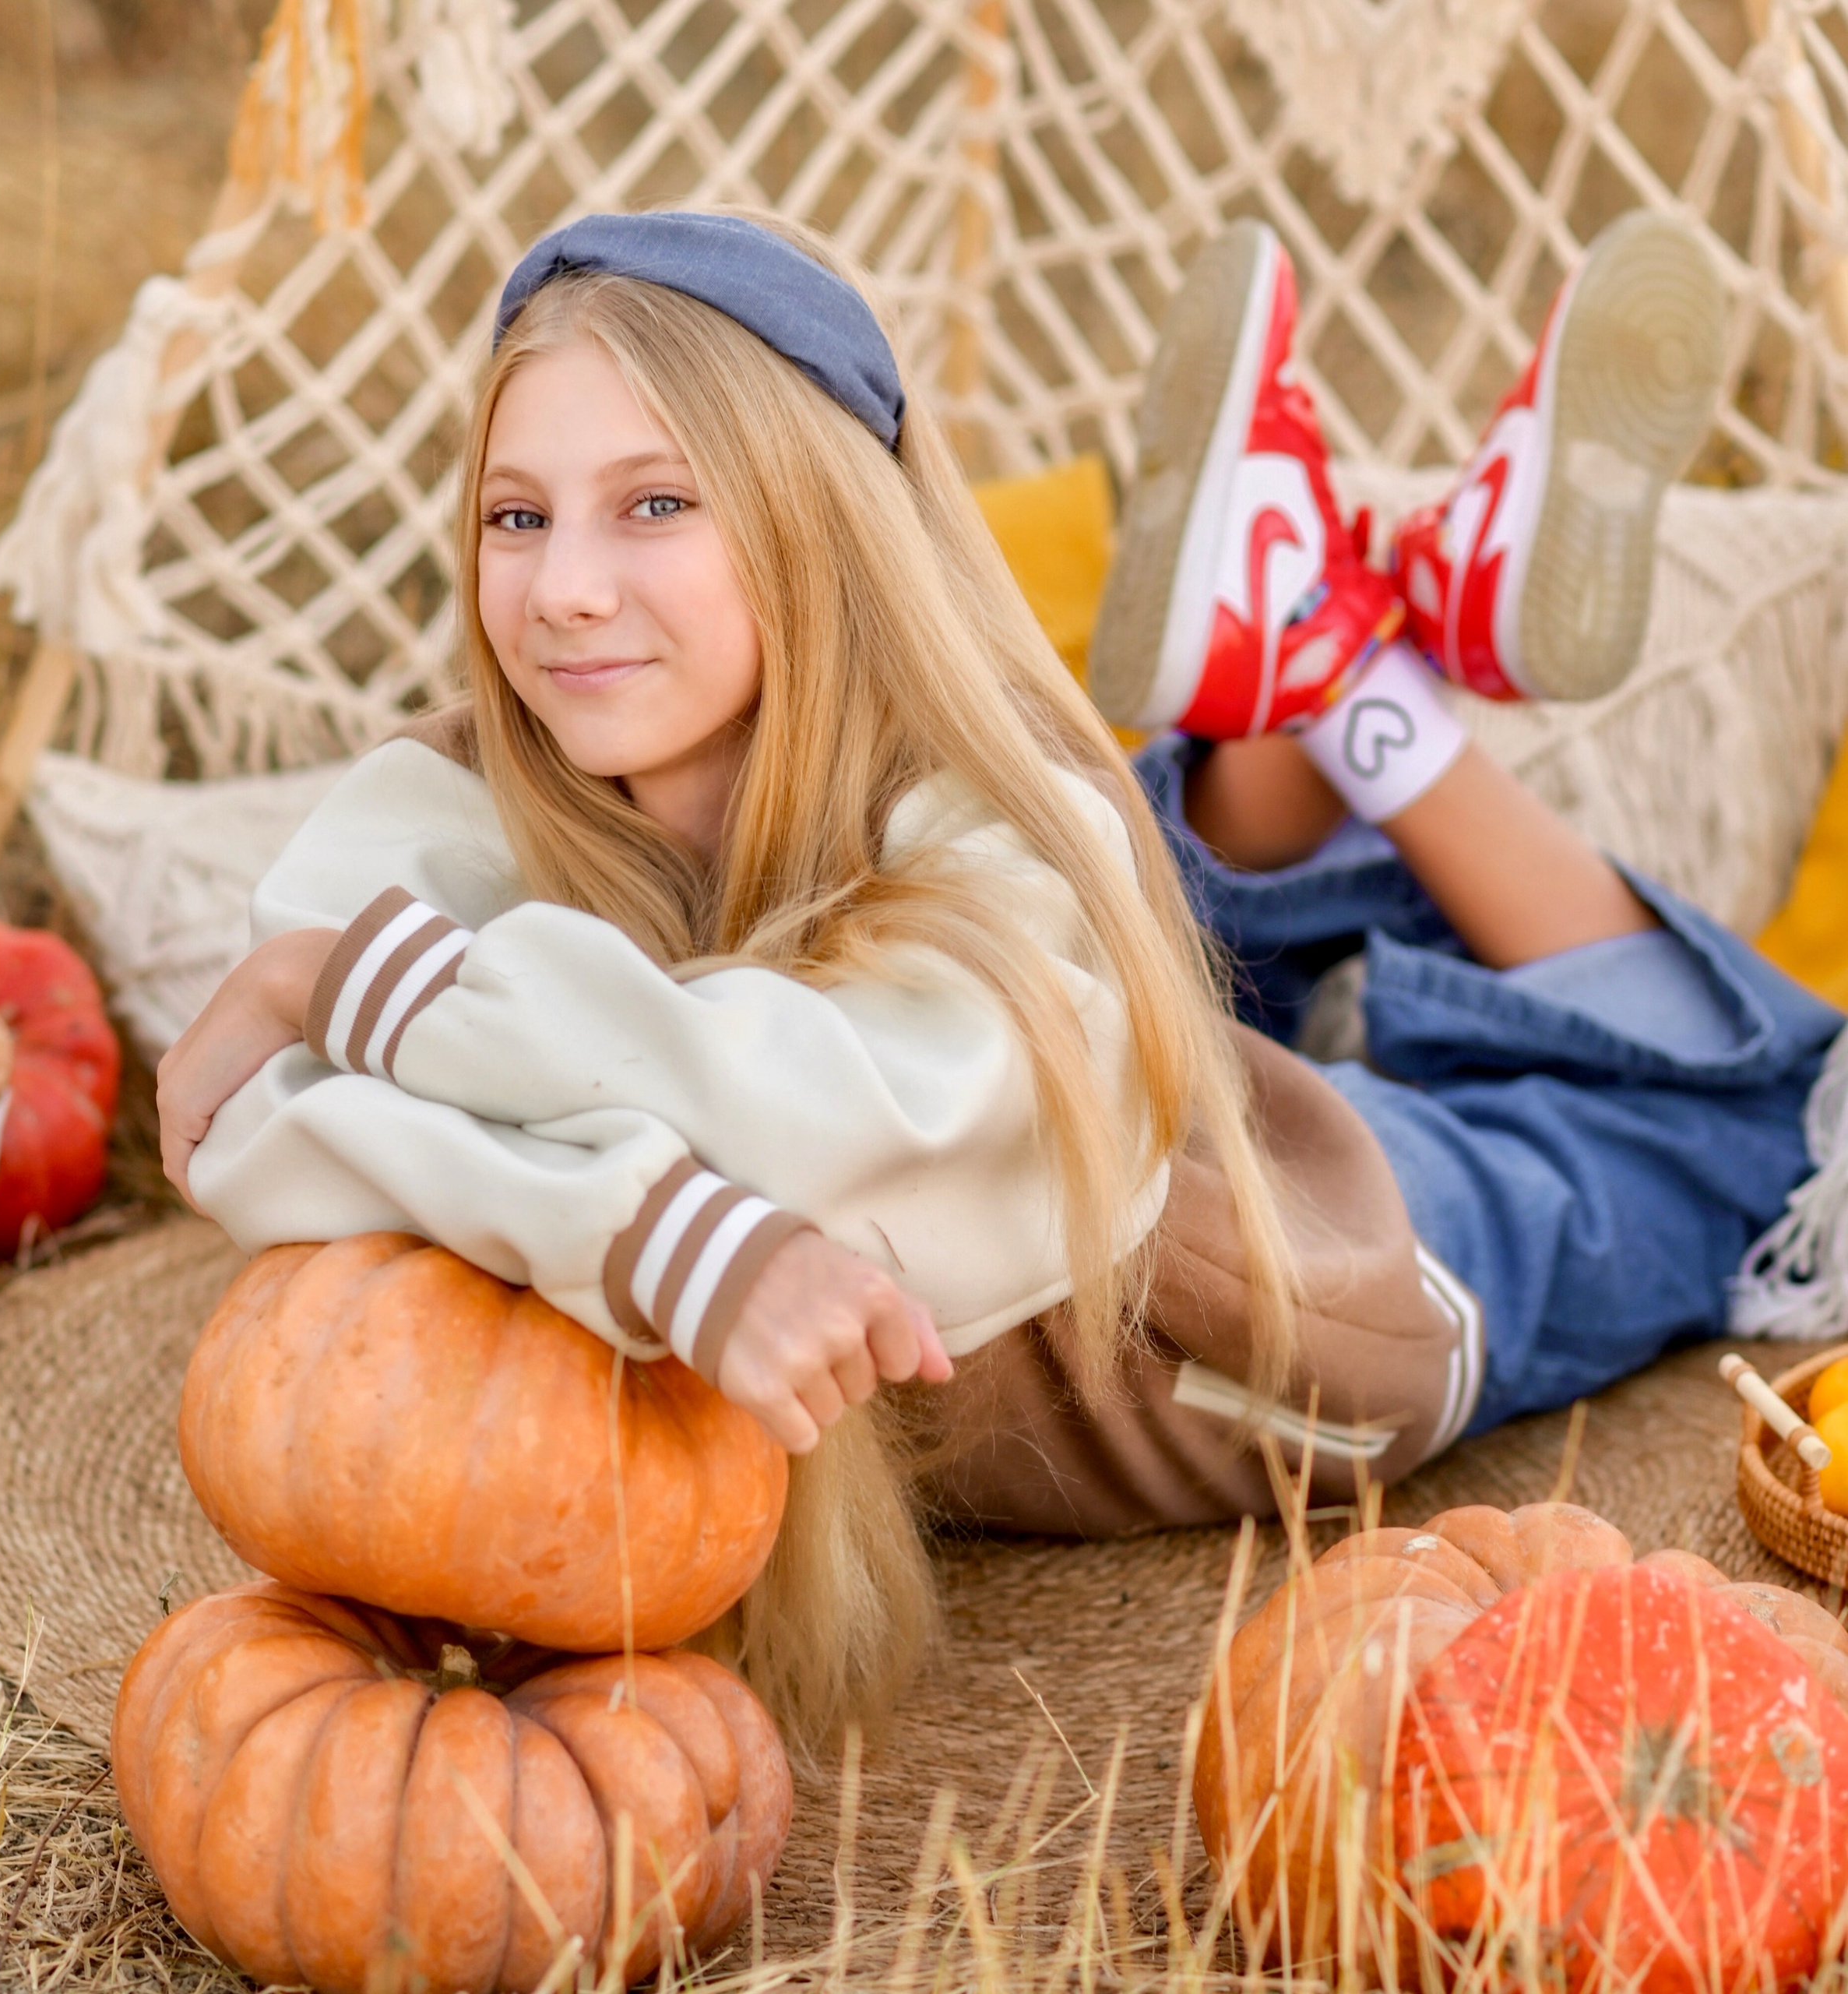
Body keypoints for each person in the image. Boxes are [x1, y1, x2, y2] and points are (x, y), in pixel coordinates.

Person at [155, 208, 1840, 1753]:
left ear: (816, 526)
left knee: (1721, 1122)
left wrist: (365, 1001)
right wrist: (658, 1226)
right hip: (1121, 1051)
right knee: (1189, 914)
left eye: (653, 503)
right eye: (513, 516)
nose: (563, 586)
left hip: (1274, 1295)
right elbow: (249, 1123)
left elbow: (838, 1128)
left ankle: (1352, 695)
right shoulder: (462, 802)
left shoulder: (986, 819)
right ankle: (1330, 624)